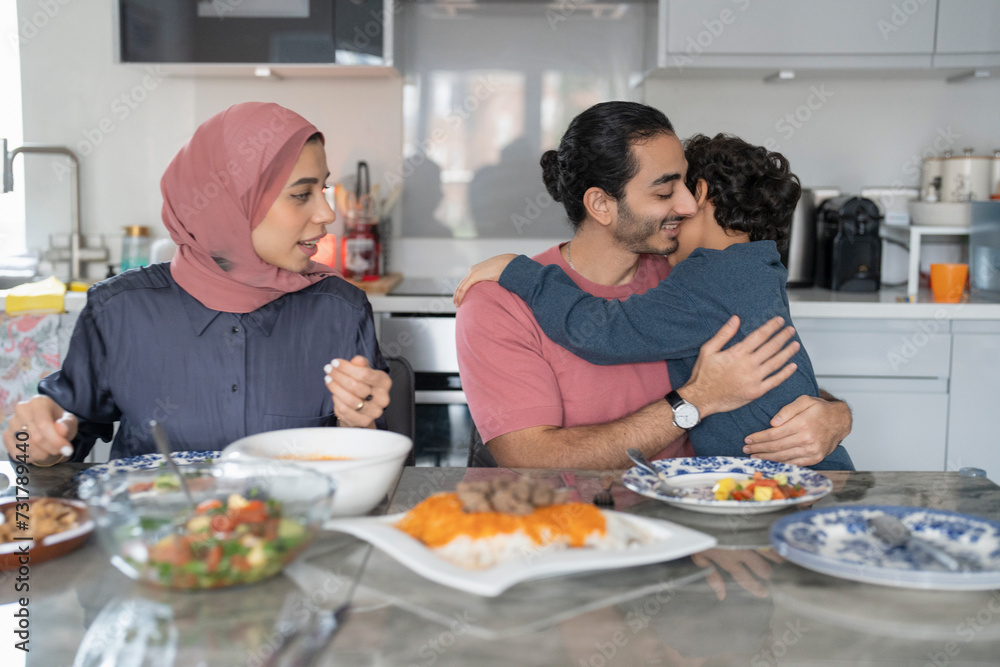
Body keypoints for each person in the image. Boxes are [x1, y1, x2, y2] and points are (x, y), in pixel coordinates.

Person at [454, 101, 851, 470]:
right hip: (577, 531)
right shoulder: (500, 302)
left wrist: (833, 416)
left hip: (700, 516)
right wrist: (697, 400)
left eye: (686, 185)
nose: (687, 205)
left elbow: (765, 373)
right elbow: (531, 459)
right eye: (665, 191)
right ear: (601, 205)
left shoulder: (688, 274)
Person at [3, 102, 391, 467]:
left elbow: (373, 463)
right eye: (301, 195)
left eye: (322, 190)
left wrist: (359, 425)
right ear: (230, 202)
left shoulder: (342, 311)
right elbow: (66, 437)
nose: (327, 213)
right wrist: (39, 441)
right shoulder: (118, 310)